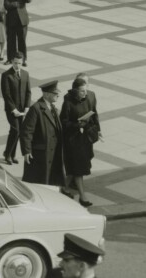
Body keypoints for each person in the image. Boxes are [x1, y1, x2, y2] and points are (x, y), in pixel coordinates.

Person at [60, 78, 101, 208]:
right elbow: (63, 122)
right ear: (75, 91)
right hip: (72, 141)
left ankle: (63, 188)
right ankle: (83, 197)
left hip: (83, 139)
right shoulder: (68, 102)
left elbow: (93, 115)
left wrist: (95, 129)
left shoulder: (87, 99)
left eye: (85, 90)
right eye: (82, 91)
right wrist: (77, 125)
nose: (85, 93)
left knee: (74, 169)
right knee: (78, 170)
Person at [20, 80, 65, 188]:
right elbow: (26, 131)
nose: (58, 95)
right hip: (41, 155)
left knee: (52, 181)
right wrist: (27, 151)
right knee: (40, 182)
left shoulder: (53, 108)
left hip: (54, 153)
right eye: (55, 93)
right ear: (47, 94)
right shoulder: (36, 108)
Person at [0, 53, 31, 165]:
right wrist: (13, 109)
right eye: (15, 63)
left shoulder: (25, 74)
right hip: (11, 109)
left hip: (22, 110)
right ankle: (8, 154)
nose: (17, 65)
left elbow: (28, 92)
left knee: (17, 132)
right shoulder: (6, 75)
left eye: (19, 63)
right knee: (16, 130)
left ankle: (11, 154)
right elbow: (6, 95)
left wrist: (27, 107)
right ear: (12, 61)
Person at [4, 0, 31, 65]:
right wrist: (16, 4)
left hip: (22, 22)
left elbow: (28, 0)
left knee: (22, 41)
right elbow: (6, 5)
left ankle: (23, 59)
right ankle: (10, 59)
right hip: (11, 22)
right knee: (11, 41)